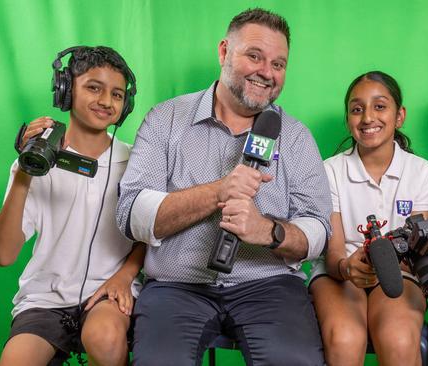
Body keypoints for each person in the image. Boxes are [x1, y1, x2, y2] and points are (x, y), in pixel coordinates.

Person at [116, 8, 331, 366]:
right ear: (224, 52)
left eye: (278, 64)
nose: (267, 72)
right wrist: (218, 192)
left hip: (269, 285)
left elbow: (319, 230)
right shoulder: (164, 119)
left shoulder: (294, 137)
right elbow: (131, 214)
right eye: (254, 56)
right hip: (176, 286)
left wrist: (269, 231)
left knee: (293, 359)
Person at [0, 46, 144, 366]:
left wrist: (125, 276)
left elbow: (148, 232)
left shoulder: (136, 163)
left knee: (104, 338)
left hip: (108, 294)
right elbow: (2, 255)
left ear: (125, 105)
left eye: (117, 94)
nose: (105, 101)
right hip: (44, 299)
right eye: (93, 87)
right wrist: (26, 170)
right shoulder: (34, 163)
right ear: (64, 90)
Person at [309, 71, 428, 366]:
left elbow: (413, 246)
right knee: (345, 337)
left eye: (379, 106)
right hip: (338, 272)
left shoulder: (420, 171)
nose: (368, 117)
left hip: (398, 270)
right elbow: (334, 253)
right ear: (348, 119)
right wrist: (347, 266)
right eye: (357, 109)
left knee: (401, 339)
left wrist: (386, 262)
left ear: (399, 115)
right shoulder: (330, 171)